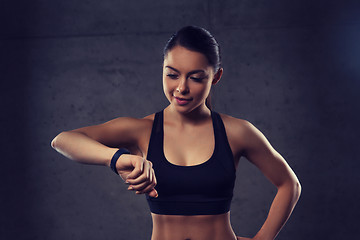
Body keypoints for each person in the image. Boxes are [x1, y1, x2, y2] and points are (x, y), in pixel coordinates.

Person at [51, 25, 301, 240]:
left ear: (215, 77)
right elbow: (63, 140)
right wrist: (117, 159)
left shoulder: (237, 132)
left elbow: (289, 184)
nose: (181, 88)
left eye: (195, 77)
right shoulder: (142, 130)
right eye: (172, 75)